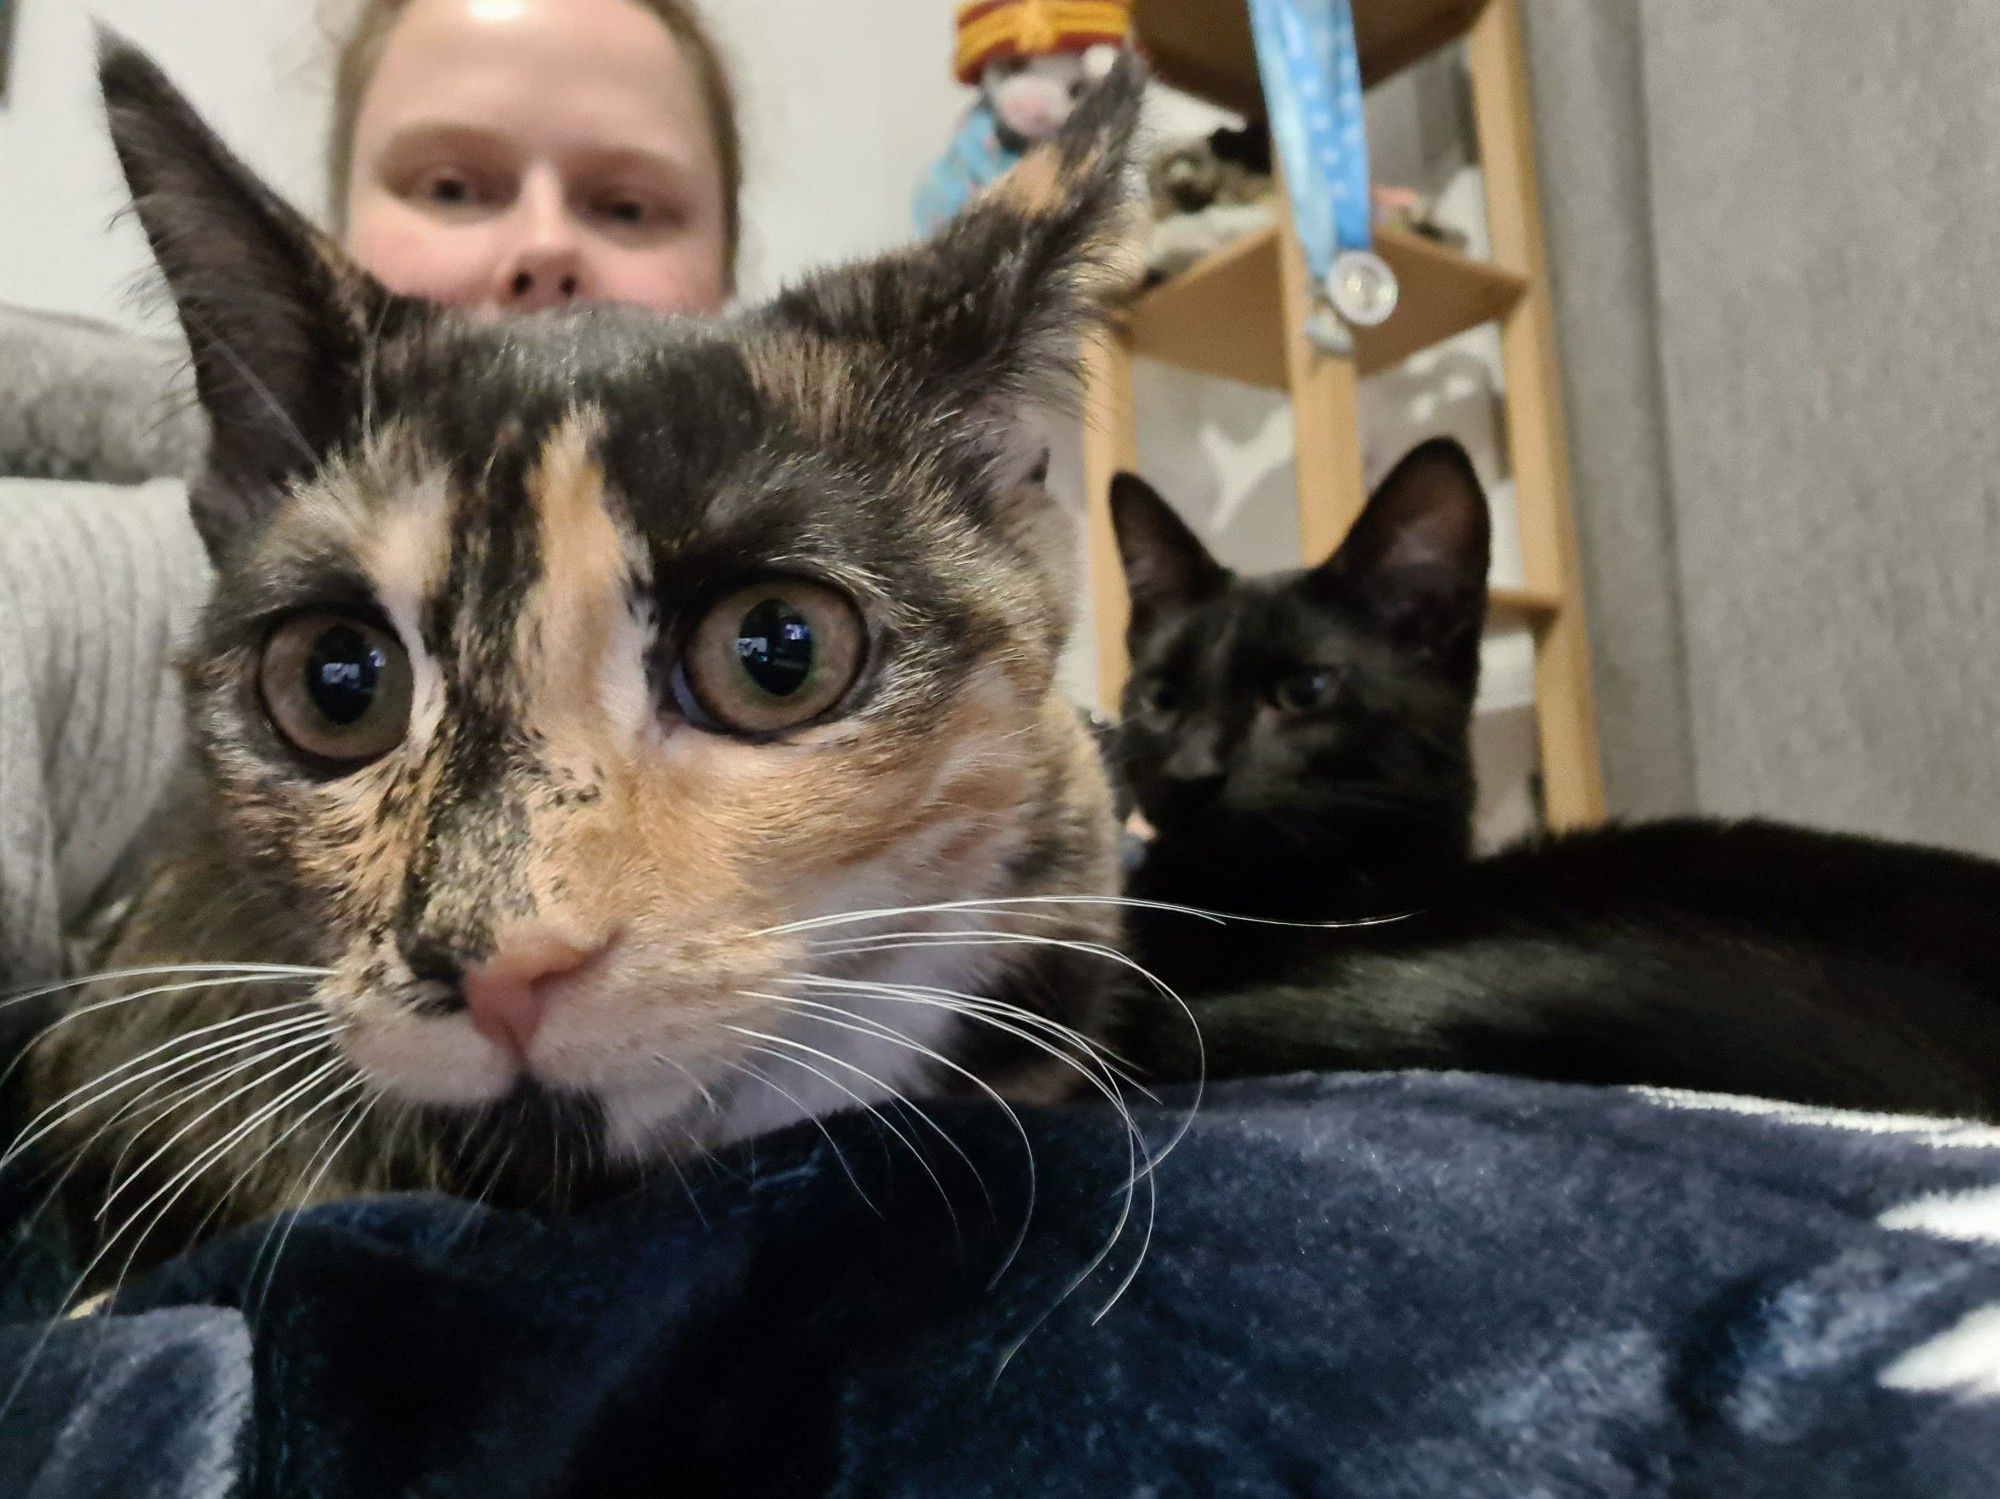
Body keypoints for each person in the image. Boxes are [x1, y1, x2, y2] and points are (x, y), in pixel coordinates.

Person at [0, 0, 744, 983]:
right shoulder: (85, 586)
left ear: (729, 284)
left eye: (626, 206)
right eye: (452, 186)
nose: (541, 245)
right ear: (328, 236)